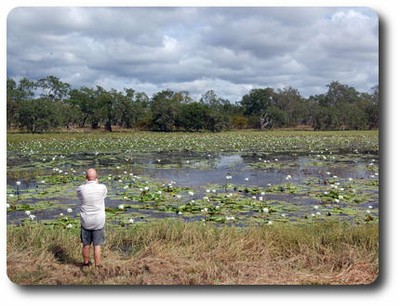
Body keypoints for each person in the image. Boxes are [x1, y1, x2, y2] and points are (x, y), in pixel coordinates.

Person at [77, 168, 107, 268]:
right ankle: (97, 265)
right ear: (97, 177)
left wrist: (86, 183)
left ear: (86, 178)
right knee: (97, 245)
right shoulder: (102, 187)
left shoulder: (81, 188)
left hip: (86, 221)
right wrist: (96, 183)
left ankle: (86, 263)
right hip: (98, 221)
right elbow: (104, 195)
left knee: (86, 244)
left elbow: (79, 195)